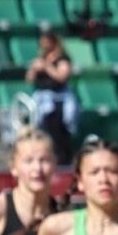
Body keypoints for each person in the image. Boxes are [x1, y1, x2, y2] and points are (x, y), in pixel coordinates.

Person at [24, 29, 77, 164]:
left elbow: (62, 76)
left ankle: (63, 158)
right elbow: (29, 79)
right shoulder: (41, 58)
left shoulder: (62, 59)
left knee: (59, 130)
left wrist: (47, 67)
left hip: (59, 99)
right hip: (43, 97)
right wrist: (34, 68)